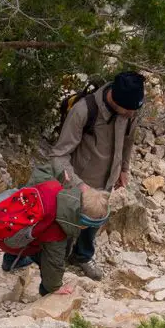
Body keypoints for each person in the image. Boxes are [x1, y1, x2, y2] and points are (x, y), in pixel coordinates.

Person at [49, 70, 146, 281]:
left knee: (93, 224)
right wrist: (78, 186)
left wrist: (124, 169)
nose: (131, 114)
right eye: (128, 110)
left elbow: (129, 140)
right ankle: (55, 261)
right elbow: (59, 156)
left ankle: (82, 256)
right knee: (66, 225)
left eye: (133, 110)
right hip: (79, 181)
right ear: (115, 99)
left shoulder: (130, 109)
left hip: (107, 180)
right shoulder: (84, 111)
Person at [0, 165, 111, 296]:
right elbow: (53, 263)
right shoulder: (57, 232)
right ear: (83, 223)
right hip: (9, 237)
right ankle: (45, 291)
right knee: (44, 255)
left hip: (8, 216)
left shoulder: (55, 187)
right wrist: (55, 286)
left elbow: (44, 170)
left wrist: (63, 176)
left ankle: (10, 261)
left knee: (29, 232)